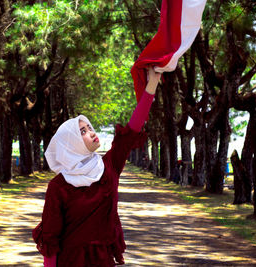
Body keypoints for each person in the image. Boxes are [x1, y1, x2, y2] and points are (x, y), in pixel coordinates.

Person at [32, 67, 161, 267]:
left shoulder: (108, 166)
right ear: (70, 142)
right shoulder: (58, 187)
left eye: (89, 127)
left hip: (103, 260)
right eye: (82, 131)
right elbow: (50, 238)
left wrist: (151, 85)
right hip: (70, 261)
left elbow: (132, 128)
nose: (91, 132)